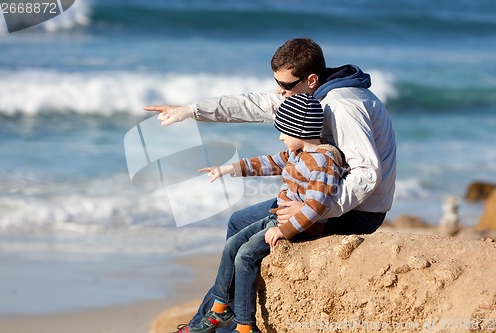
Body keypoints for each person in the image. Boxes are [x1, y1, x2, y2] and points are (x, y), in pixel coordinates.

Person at [144, 38, 396, 333]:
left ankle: (220, 325)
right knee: (238, 221)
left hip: (356, 210)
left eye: (285, 85)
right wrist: (191, 110)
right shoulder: (313, 96)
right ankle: (214, 316)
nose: (280, 91)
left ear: (311, 79)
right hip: (324, 198)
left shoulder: (343, 106)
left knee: (244, 237)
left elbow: (367, 175)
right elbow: (257, 104)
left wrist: (314, 211)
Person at [190, 93, 347, 333]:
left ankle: (245, 326)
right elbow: (268, 163)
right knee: (232, 244)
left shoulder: (323, 161)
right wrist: (228, 169)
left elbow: (317, 206)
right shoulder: (298, 154)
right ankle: (219, 310)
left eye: (284, 131)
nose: (280, 136)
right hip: (278, 217)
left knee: (245, 256)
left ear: (299, 129)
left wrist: (283, 230)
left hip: (299, 227)